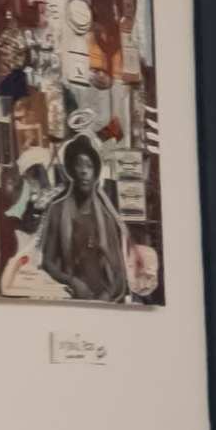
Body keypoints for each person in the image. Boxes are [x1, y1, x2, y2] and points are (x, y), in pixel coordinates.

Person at [30, 130, 129, 305]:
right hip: (70, 298)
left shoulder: (106, 218)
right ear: (71, 170)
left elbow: (120, 273)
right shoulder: (57, 210)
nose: (84, 171)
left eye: (89, 166)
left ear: (96, 173)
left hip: (104, 299)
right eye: (79, 165)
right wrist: (72, 282)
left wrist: (107, 296)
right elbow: (47, 262)